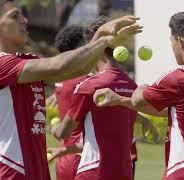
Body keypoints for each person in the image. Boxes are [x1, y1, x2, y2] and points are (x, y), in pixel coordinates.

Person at [0, 0, 142, 179]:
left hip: (36, 170)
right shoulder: (2, 64)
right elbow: (57, 66)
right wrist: (102, 40)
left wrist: (99, 38)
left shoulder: (24, 60)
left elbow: (77, 70)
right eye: (15, 16)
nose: (25, 20)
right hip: (11, 170)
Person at [93, 10, 184, 179]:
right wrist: (119, 100)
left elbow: (138, 101)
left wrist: (141, 86)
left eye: (171, 41)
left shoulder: (180, 78)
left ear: (180, 42)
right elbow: (178, 112)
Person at [51, 16, 139, 180]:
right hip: (124, 172)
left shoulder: (88, 86)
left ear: (94, 47)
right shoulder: (132, 86)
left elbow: (64, 133)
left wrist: (54, 129)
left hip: (93, 171)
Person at [51, 25, 88, 180]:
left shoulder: (60, 77)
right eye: (86, 44)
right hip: (82, 156)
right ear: (78, 48)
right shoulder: (85, 80)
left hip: (64, 155)